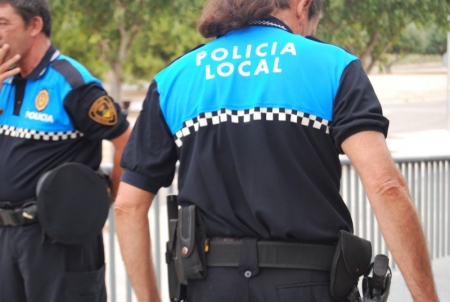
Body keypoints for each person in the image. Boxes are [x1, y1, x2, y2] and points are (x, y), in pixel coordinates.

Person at [114, 0, 439, 301]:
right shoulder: (333, 66)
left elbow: (128, 207)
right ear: (303, 6)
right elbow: (386, 186)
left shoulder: (174, 79)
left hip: (209, 285)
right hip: (309, 284)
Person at [0, 0, 131, 301]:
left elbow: (126, 140)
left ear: (34, 25)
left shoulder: (73, 83)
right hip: (7, 236)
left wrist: (107, 199)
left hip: (59, 238)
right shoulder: (4, 79)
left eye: (2, 23)